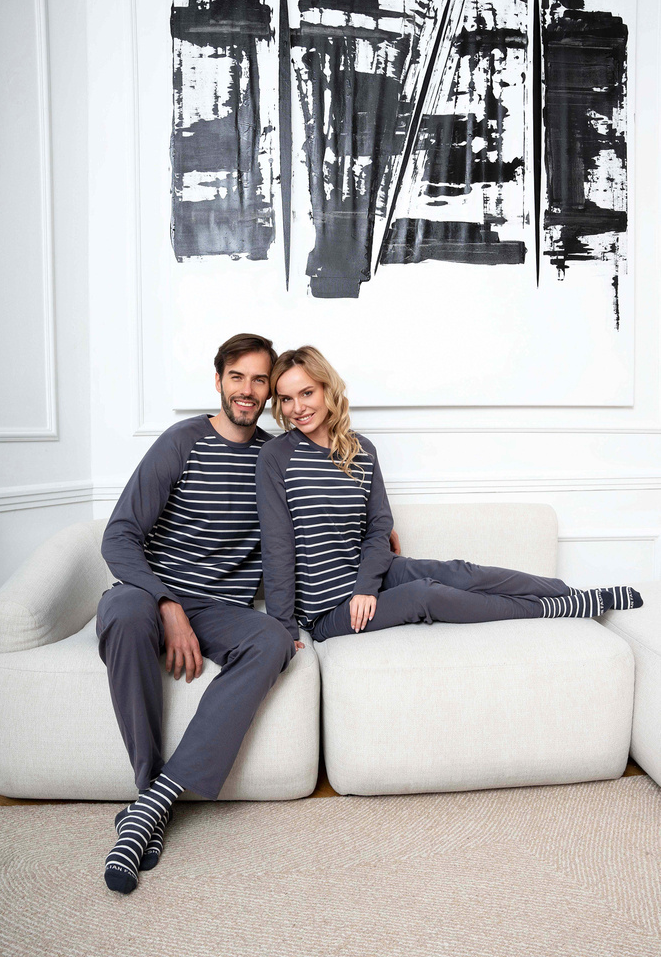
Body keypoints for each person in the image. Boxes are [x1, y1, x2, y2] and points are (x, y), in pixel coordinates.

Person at [255, 345, 643, 646]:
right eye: (286, 399)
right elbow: (277, 548)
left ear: (327, 389)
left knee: (459, 572)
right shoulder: (276, 457)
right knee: (426, 595)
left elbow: (378, 525)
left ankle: (569, 592)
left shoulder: (361, 450)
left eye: (307, 392)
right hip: (328, 609)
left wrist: (365, 587)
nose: (297, 408)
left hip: (369, 576)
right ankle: (557, 608)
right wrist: (284, 628)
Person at [97, 333, 302, 895]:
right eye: (237, 377)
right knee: (124, 613)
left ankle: (151, 805)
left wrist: (373, 528)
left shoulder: (273, 459)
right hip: (149, 595)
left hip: (217, 608)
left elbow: (307, 525)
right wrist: (166, 603)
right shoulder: (181, 442)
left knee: (271, 640)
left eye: (259, 380)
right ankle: (147, 787)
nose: (248, 390)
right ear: (218, 381)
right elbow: (119, 536)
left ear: (270, 391)